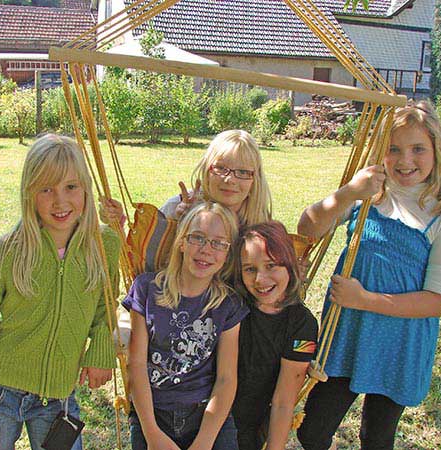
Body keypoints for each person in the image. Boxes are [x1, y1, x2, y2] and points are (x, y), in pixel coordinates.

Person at [296, 100, 441, 450]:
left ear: (437, 151)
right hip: (347, 334)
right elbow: (307, 229)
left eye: (418, 149)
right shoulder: (366, 198)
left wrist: (365, 299)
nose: (405, 160)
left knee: (376, 437)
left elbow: (436, 302)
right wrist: (349, 191)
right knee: (312, 431)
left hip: (398, 344)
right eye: (394, 149)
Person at [0, 134, 120, 450]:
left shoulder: (104, 245)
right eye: (46, 189)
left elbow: (107, 303)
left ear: (86, 189)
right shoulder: (3, 253)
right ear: (28, 193)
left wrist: (101, 349)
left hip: (58, 399)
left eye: (70, 187)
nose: (60, 201)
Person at [123, 202, 249, 450]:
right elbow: (135, 364)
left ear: (227, 254)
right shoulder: (147, 289)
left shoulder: (228, 305)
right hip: (153, 412)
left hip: (206, 415)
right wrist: (152, 434)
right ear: (181, 242)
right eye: (197, 238)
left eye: (218, 243)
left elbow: (226, 379)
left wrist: (204, 441)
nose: (206, 250)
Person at [232, 221, 318, 450]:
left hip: (252, 426)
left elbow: (283, 402)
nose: (260, 279)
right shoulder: (233, 305)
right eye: (250, 269)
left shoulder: (303, 325)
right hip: (211, 416)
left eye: (271, 265)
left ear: (290, 264)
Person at [101, 130, 272, 227]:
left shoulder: (260, 221)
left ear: (255, 178)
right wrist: (116, 221)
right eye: (221, 168)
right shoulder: (176, 207)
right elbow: (143, 260)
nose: (230, 180)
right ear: (206, 169)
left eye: (242, 172)